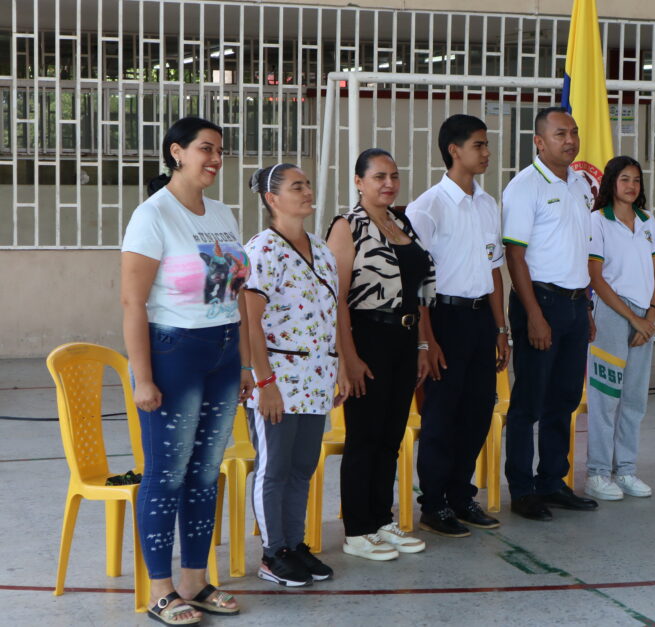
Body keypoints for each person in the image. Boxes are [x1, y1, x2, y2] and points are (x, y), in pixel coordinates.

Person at [120, 116, 251, 622]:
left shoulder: (222, 212)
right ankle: (161, 589)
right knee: (167, 474)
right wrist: (143, 376)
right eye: (205, 149)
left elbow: (233, 295)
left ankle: (196, 580)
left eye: (220, 150)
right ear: (176, 152)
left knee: (204, 474)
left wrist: (239, 362)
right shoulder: (152, 216)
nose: (215, 159)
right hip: (174, 354)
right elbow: (132, 302)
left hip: (221, 353)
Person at [325, 148, 435, 560]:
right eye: (378, 177)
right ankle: (357, 529)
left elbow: (419, 291)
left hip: (404, 340)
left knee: (391, 436)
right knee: (365, 436)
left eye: (394, 175)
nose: (388, 183)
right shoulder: (347, 226)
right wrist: (347, 357)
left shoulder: (401, 222)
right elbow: (336, 298)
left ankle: (381, 519)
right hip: (367, 338)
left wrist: (423, 343)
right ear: (358, 182)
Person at [406, 115, 510, 537]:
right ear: (454, 150)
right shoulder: (427, 207)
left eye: (486, 146)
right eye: (479, 145)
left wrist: (502, 330)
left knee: (477, 411)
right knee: (441, 416)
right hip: (442, 319)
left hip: (480, 319)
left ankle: (461, 496)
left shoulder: (487, 204)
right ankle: (433, 503)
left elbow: (495, 269)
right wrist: (426, 341)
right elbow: (416, 282)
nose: (486, 153)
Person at [500, 107, 599, 521]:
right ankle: (523, 489)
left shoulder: (579, 184)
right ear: (539, 141)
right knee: (529, 401)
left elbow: (578, 249)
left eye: (574, 132)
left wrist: (587, 306)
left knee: (565, 398)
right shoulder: (525, 187)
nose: (570, 140)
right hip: (541, 303)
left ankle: (553, 480)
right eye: (561, 134)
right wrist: (534, 315)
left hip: (576, 304)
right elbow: (515, 256)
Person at [243, 163, 338, 586]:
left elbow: (331, 314)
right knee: (274, 466)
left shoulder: (321, 249)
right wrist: (263, 383)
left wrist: (333, 369)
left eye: (308, 184)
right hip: (277, 379)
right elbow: (249, 319)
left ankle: (295, 544)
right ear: (272, 198)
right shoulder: (262, 249)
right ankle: (273, 551)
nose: (306, 191)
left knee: (303, 465)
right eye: (296, 186)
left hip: (315, 375)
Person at [582, 156, 655, 501]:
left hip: (645, 315)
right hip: (613, 315)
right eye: (625, 179)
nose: (631, 186)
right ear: (611, 183)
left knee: (634, 399)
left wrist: (651, 314)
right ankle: (598, 473)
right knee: (605, 399)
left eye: (637, 180)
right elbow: (596, 279)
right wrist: (634, 320)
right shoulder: (597, 221)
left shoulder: (647, 221)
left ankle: (626, 469)